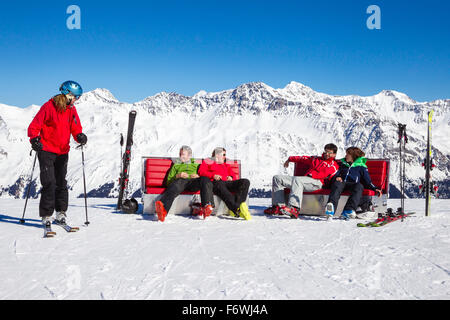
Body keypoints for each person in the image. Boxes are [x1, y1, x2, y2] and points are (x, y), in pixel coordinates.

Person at [27, 80, 87, 230]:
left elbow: (75, 125)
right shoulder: (48, 107)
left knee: (61, 183)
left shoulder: (71, 110)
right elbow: (35, 125)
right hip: (46, 150)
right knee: (49, 183)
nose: (76, 100)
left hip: (62, 152)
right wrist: (34, 139)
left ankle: (61, 213)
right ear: (68, 94)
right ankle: (46, 215)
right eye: (75, 97)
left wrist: (79, 135)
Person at [265, 143, 339, 218]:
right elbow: (303, 159)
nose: (327, 154)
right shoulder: (316, 159)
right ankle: (278, 207)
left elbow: (326, 175)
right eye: (326, 151)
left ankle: (294, 208)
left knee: (298, 179)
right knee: (277, 178)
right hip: (304, 180)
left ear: (334, 154)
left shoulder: (334, 165)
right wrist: (289, 159)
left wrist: (312, 175)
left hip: (317, 183)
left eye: (330, 153)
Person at [155, 146, 214, 222]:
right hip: (181, 183)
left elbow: (205, 173)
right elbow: (168, 181)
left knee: (205, 179)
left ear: (189, 155)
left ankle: (207, 206)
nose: (180, 156)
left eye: (182, 154)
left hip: (193, 183)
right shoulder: (176, 165)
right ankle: (163, 210)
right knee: (178, 182)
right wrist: (177, 176)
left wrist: (198, 176)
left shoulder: (196, 165)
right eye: (179, 154)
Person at [325, 147, 382, 220]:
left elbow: (368, 181)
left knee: (359, 186)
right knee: (337, 184)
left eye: (347, 154)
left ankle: (348, 210)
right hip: (342, 183)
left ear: (353, 156)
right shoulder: (343, 164)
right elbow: (335, 173)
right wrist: (338, 177)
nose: (345, 156)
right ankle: (331, 208)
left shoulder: (361, 167)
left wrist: (375, 188)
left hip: (353, 185)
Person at [198, 147, 251, 220]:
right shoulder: (207, 161)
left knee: (245, 182)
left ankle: (236, 206)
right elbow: (201, 172)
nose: (225, 157)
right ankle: (236, 209)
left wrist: (231, 177)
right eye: (223, 155)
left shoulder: (225, 164)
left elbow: (233, 175)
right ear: (217, 155)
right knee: (221, 186)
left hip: (228, 183)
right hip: (216, 183)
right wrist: (213, 175)